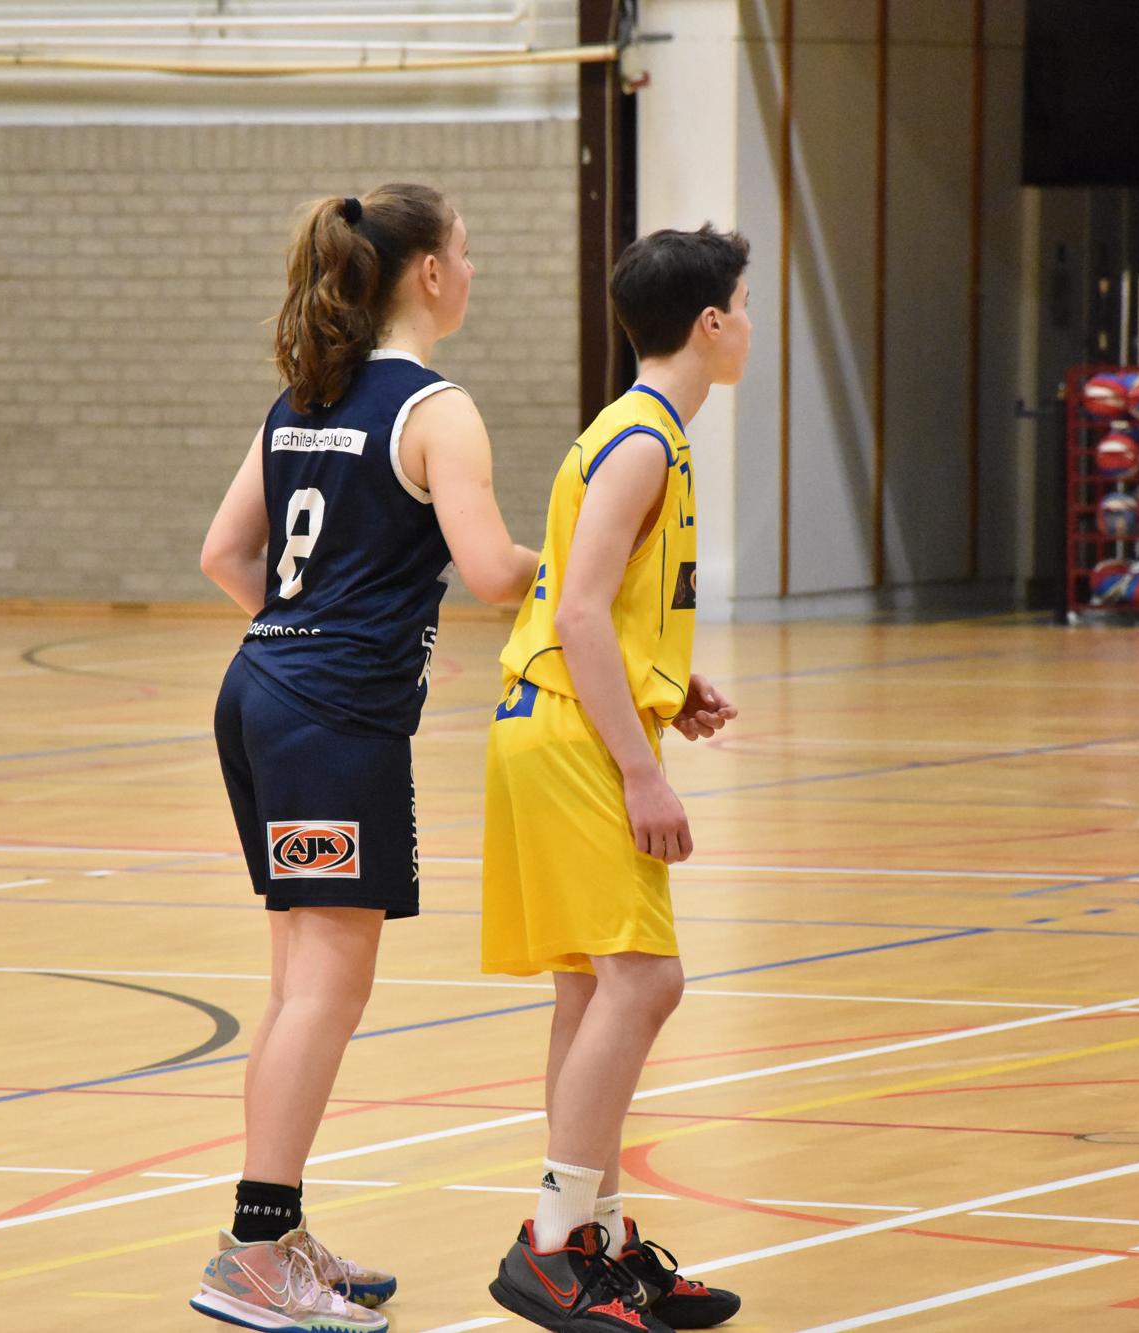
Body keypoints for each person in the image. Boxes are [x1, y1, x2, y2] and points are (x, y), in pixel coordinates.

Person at [195, 183, 539, 1331]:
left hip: (258, 693)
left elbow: (223, 555)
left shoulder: (303, 395)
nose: (472, 270)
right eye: (466, 250)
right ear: (428, 274)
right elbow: (491, 572)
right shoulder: (436, 409)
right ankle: (253, 1252)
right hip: (329, 719)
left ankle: (271, 1235)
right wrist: (585, 562)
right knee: (325, 993)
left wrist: (305, 635)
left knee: (296, 987)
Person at [480, 225, 752, 1333]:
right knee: (645, 982)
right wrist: (643, 772)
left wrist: (662, 685)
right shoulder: (641, 441)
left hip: (552, 719)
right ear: (710, 323)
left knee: (593, 989)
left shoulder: (636, 431)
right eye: (744, 306)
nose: (749, 325)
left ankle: (590, 1232)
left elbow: (585, 600)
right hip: (569, 736)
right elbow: (579, 613)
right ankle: (553, 1242)